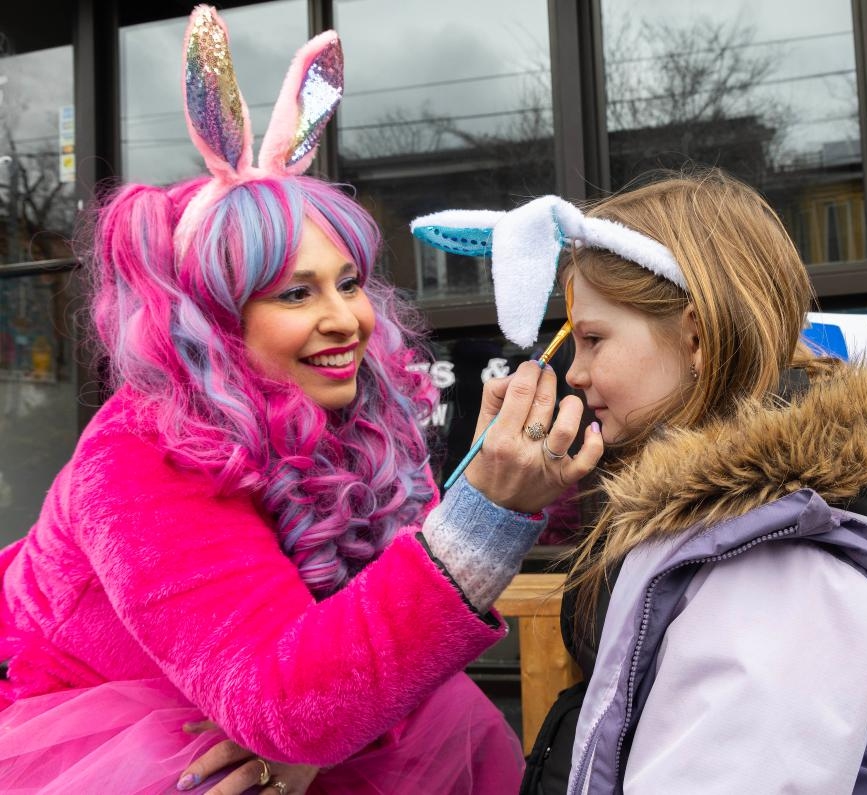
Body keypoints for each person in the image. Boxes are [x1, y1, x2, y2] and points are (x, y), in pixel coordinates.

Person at [0, 7, 602, 794]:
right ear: (216, 321)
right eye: (295, 293)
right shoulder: (138, 457)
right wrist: (481, 514)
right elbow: (286, 702)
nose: (343, 318)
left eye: (349, 282)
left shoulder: (347, 417)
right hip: (124, 752)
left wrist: (536, 478)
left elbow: (380, 604)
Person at [411, 170, 867, 794]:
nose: (575, 374)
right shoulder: (741, 522)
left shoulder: (782, 566)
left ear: (695, 335)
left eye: (592, 339)